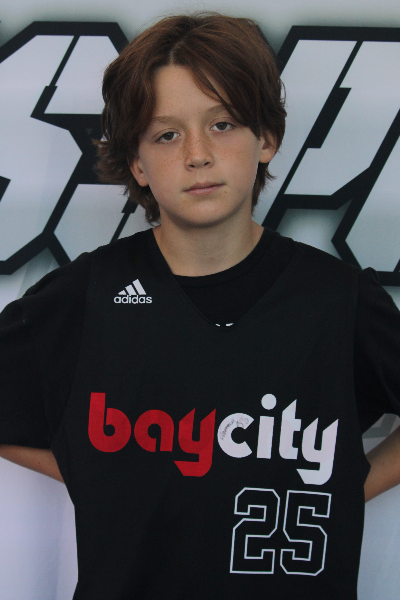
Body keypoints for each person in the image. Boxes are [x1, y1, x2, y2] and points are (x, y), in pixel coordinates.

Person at [1, 12, 400, 599]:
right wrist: (100, 474)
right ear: (137, 162)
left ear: (266, 138)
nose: (197, 154)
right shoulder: (88, 296)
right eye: (166, 135)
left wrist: (348, 484)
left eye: (223, 124)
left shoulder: (338, 300)